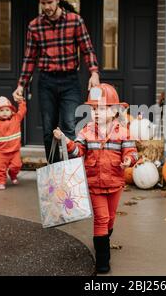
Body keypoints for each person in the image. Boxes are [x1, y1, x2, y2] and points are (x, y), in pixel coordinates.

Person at [53, 83, 138, 274]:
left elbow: (133, 152)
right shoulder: (86, 131)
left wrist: (128, 159)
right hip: (94, 183)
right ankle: (102, 259)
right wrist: (66, 141)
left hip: (115, 183)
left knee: (110, 219)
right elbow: (78, 151)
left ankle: (103, 241)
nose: (96, 113)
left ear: (114, 110)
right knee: (101, 218)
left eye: (101, 108)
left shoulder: (123, 132)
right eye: (93, 109)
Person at [13, 0, 100, 163]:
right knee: (48, 130)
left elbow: (87, 49)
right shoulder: (34, 26)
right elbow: (30, 58)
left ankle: (70, 172)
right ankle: (54, 172)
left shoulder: (75, 21)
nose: (46, 7)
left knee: (69, 125)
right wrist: (21, 85)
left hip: (70, 81)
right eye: (43, 3)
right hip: (46, 82)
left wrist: (94, 72)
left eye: (50, 2)